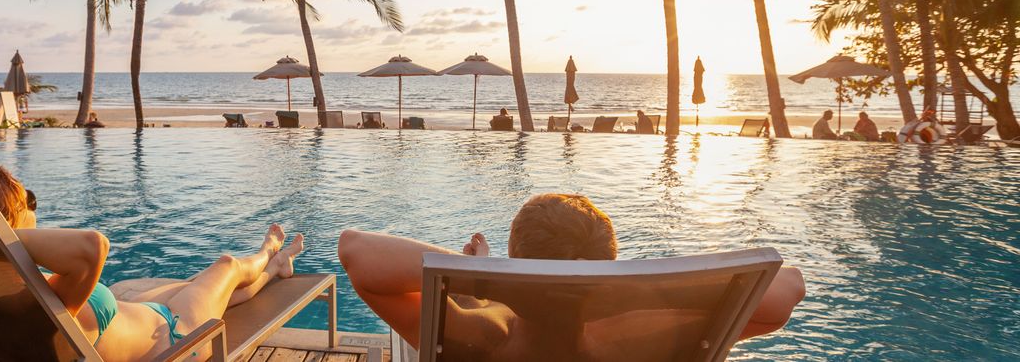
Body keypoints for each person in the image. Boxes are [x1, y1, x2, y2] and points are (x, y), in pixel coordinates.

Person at [0, 162, 305, 360]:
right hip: (176, 339)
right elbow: (93, 245)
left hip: (143, 312)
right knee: (227, 267)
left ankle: (275, 267)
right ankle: (270, 252)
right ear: (7, 226)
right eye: (26, 205)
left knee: (191, 287)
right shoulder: (34, 300)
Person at [338, 194, 805, 360]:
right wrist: (612, 294)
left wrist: (483, 274)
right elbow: (788, 287)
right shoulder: (645, 336)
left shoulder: (482, 336)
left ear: (515, 265)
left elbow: (356, 250)